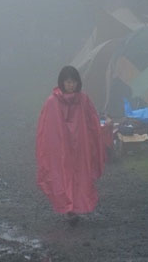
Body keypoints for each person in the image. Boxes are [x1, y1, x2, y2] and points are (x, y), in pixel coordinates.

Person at [35, 65, 105, 225]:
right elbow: (46, 128)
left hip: (80, 146)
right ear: (62, 82)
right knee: (62, 174)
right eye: (67, 82)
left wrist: (94, 141)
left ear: (78, 82)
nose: (70, 85)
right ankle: (68, 207)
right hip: (61, 148)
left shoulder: (83, 100)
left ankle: (76, 205)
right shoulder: (52, 102)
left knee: (80, 174)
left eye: (73, 82)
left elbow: (92, 121)